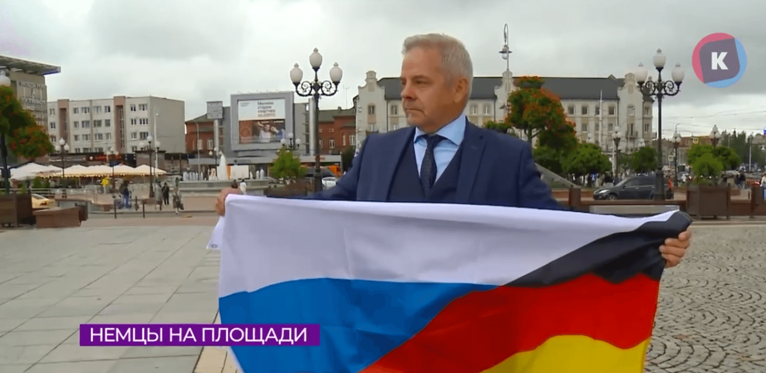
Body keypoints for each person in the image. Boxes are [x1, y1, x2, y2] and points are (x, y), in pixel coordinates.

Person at [216, 33, 692, 268]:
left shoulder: (507, 158)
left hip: (472, 350)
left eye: (419, 82)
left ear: (460, 88)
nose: (404, 94)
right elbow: (327, 210)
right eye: (403, 82)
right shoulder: (378, 152)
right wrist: (249, 208)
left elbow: (560, 233)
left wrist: (647, 244)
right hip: (387, 344)